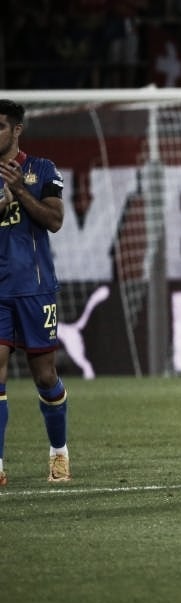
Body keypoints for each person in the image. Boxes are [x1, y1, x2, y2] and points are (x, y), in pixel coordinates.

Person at [0, 99, 70, 486]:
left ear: (16, 130)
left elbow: (55, 220)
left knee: (45, 376)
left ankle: (59, 453)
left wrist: (19, 193)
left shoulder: (41, 169)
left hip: (35, 288)